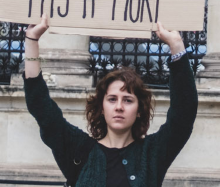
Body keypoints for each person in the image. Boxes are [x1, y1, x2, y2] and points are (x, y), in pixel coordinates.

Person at [21, 14, 197, 187]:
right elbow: (42, 109)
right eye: (112, 99)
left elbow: (184, 114)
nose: (119, 107)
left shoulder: (151, 154)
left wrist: (176, 45)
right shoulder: (79, 150)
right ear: (102, 107)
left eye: (128, 100)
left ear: (139, 110)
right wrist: (32, 40)